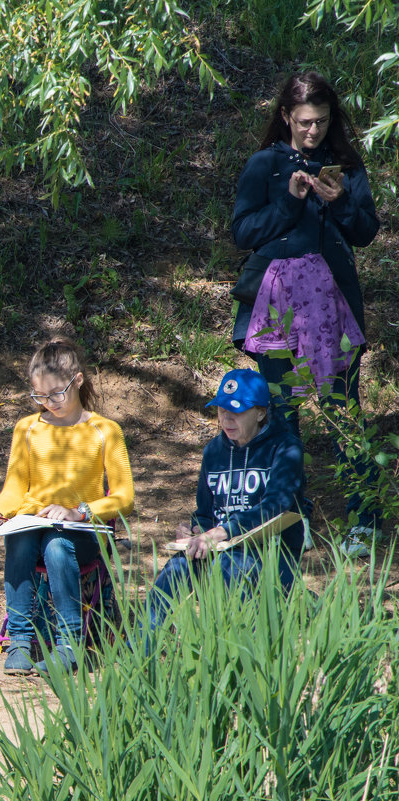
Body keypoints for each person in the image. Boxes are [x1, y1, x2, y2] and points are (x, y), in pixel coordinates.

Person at [230, 71, 381, 557]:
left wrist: (337, 204)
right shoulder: (264, 165)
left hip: (333, 307)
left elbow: (364, 233)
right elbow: (243, 232)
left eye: (320, 122)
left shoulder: (346, 167)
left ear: (331, 119)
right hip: (275, 307)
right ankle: (288, 521)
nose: (312, 132)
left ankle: (365, 518)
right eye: (303, 122)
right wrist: (290, 202)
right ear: (285, 118)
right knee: (283, 412)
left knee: (342, 410)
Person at [0, 339, 134, 674]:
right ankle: (19, 641)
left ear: (77, 381)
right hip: (32, 525)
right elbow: (15, 487)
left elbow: (124, 497)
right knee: (20, 539)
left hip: (81, 530)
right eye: (39, 397)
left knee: (57, 544)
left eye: (55, 394)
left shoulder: (105, 430)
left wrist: (81, 511)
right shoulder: (28, 428)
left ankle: (69, 643)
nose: (48, 403)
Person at [148, 369, 305, 631]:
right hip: (217, 546)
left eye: (237, 411)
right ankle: (140, 653)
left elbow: (276, 506)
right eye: (221, 410)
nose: (227, 419)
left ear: (260, 412)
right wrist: (195, 528)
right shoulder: (214, 451)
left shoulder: (286, 447)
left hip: (269, 551)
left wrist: (221, 532)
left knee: (226, 568)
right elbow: (205, 511)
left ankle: (230, 656)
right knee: (175, 570)